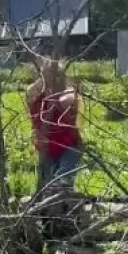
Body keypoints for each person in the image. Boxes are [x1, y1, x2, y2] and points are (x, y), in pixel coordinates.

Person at [26, 58, 82, 193]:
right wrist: (44, 82)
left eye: (57, 76)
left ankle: (67, 209)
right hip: (46, 150)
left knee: (63, 183)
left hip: (68, 148)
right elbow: (30, 93)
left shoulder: (67, 95)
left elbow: (65, 102)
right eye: (46, 77)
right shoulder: (36, 98)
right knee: (47, 187)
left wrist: (54, 95)